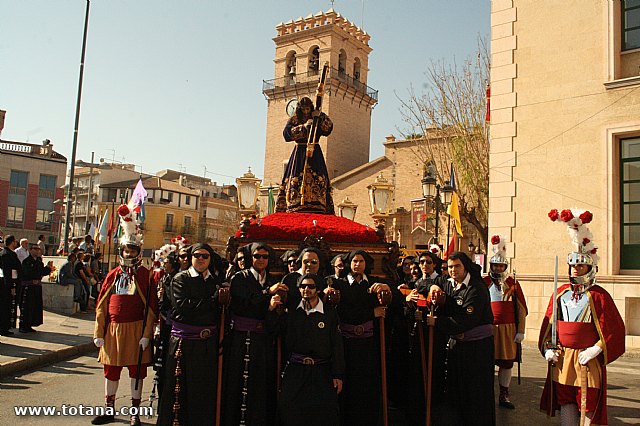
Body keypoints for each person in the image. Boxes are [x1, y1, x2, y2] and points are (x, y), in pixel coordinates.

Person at [540, 209, 625, 426]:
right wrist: (549, 348)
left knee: (588, 403)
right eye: (573, 265)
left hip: (587, 359)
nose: (576, 269)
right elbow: (549, 325)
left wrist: (596, 349)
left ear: (590, 267)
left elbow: (613, 329)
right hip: (564, 358)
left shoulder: (599, 296)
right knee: (565, 400)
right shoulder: (560, 293)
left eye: (581, 265)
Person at [91, 206, 157, 426]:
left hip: (136, 330)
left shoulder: (144, 275)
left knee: (136, 373)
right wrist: (98, 332)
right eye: (127, 251)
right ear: (122, 251)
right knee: (111, 372)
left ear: (138, 252)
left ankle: (134, 413)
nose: (129, 254)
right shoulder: (112, 274)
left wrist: (147, 334)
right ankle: (109, 410)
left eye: (133, 251)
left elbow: (151, 308)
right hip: (113, 331)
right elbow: (101, 305)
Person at [425, 251, 496, 426]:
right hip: (458, 347)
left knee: (476, 393)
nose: (453, 270)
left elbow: (466, 320)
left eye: (457, 266)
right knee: (457, 391)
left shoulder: (476, 288)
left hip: (477, 350)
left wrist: (437, 322)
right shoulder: (449, 283)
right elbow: (429, 282)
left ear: (465, 267)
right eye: (450, 267)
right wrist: (433, 288)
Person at [326, 249, 394, 426]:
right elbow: (343, 312)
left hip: (368, 344)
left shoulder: (373, 283)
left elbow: (395, 294)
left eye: (361, 261)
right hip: (346, 343)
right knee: (346, 385)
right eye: (354, 261)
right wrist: (371, 312)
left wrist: (386, 288)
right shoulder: (338, 284)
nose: (357, 264)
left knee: (366, 386)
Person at [157, 243, 223, 425]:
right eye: (197, 255)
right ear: (191, 258)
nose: (200, 259)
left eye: (205, 256)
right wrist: (212, 301)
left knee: (201, 390)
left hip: (207, 344)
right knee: (178, 390)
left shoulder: (214, 282)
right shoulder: (180, 279)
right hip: (183, 344)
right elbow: (183, 308)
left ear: (210, 259)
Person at [223, 242, 283, 426]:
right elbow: (243, 305)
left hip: (263, 339)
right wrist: (267, 295)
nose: (261, 260)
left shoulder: (272, 280)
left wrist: (272, 308)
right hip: (242, 339)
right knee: (239, 385)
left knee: (261, 385)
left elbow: (273, 311)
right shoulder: (240, 278)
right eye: (257, 256)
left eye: (265, 257)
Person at [278, 273, 345, 426]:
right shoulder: (292, 312)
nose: (306, 289)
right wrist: (272, 309)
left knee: (324, 412)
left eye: (311, 286)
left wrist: (338, 374)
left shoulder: (329, 313)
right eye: (303, 286)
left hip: (322, 370)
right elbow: (276, 331)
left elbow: (336, 345)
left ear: (318, 290)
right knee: (289, 409)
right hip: (296, 369)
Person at [402, 250, 448, 425]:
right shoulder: (414, 283)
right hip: (418, 334)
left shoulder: (442, 281)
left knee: (434, 372)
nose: (425, 265)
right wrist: (410, 306)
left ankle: (434, 411)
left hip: (435, 336)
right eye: (422, 262)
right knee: (417, 374)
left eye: (428, 262)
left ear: (434, 264)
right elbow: (408, 307)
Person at [484, 235, 527, 410]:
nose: (498, 268)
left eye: (501, 265)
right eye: (496, 265)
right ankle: (486, 394)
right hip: (488, 329)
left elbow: (521, 309)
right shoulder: (484, 282)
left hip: (509, 330)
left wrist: (521, 331)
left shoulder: (513, 284)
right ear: (491, 266)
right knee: (486, 362)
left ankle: (504, 393)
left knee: (506, 363)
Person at [275, 96, 335, 214]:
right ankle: (294, 201)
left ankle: (318, 201)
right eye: (304, 109)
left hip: (315, 153)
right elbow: (286, 134)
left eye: (308, 109)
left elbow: (329, 129)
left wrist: (321, 117)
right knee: (296, 178)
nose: (306, 111)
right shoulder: (295, 119)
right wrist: (303, 127)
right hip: (299, 154)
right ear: (300, 109)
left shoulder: (317, 116)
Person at [19, 244, 52, 332]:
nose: (38, 251)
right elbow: (27, 273)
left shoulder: (39, 262)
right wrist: (36, 276)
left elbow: (42, 271)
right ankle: (24, 326)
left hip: (36, 287)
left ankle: (30, 324)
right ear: (30, 250)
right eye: (35, 249)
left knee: (34, 307)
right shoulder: (26, 261)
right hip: (28, 287)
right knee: (27, 307)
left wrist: (48, 268)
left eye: (38, 249)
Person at [0, 235, 21, 336]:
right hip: (6, 286)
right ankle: (3, 328)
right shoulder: (6, 255)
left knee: (9, 307)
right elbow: (7, 272)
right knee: (5, 307)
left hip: (11, 283)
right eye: (15, 241)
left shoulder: (10, 254)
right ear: (12, 242)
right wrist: (11, 286)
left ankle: (6, 327)